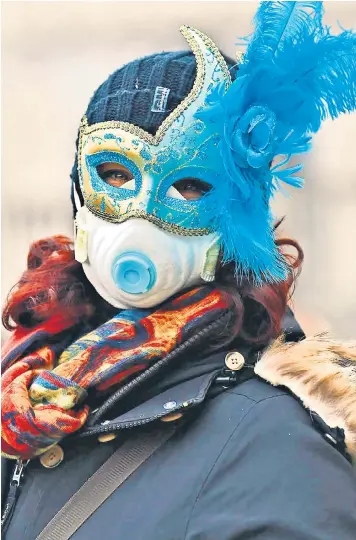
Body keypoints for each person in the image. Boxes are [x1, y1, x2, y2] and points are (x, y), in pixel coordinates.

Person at [2, 2, 356, 539]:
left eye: (190, 185)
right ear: (78, 191)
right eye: (115, 173)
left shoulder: (273, 449)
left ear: (239, 219)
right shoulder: (35, 388)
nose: (142, 213)